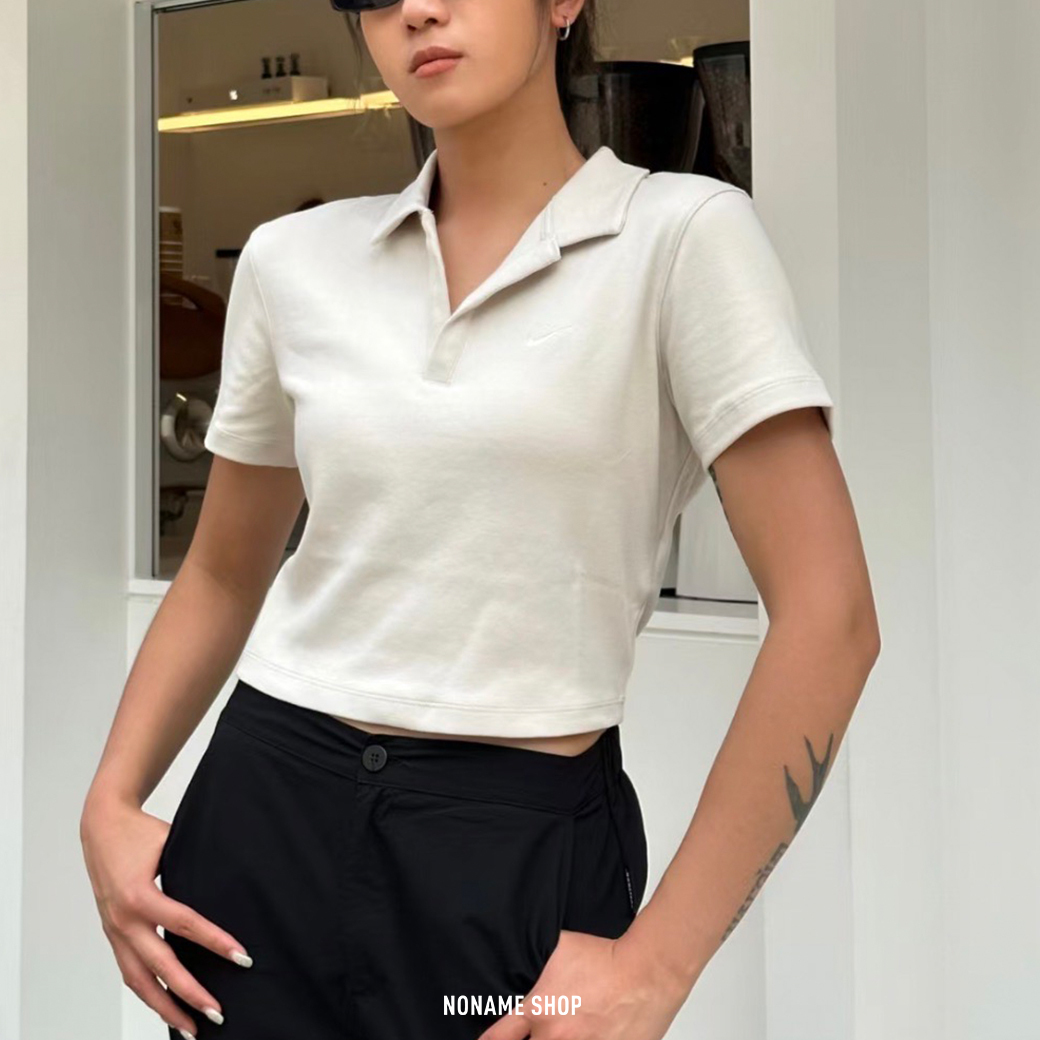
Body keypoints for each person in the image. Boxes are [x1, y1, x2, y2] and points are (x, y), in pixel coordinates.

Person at [79, 0, 881, 1038]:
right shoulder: (294, 261)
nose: (417, 9)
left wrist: (657, 964)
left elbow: (830, 617)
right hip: (265, 814)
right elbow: (226, 571)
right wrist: (109, 801)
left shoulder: (682, 238)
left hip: (516, 846)